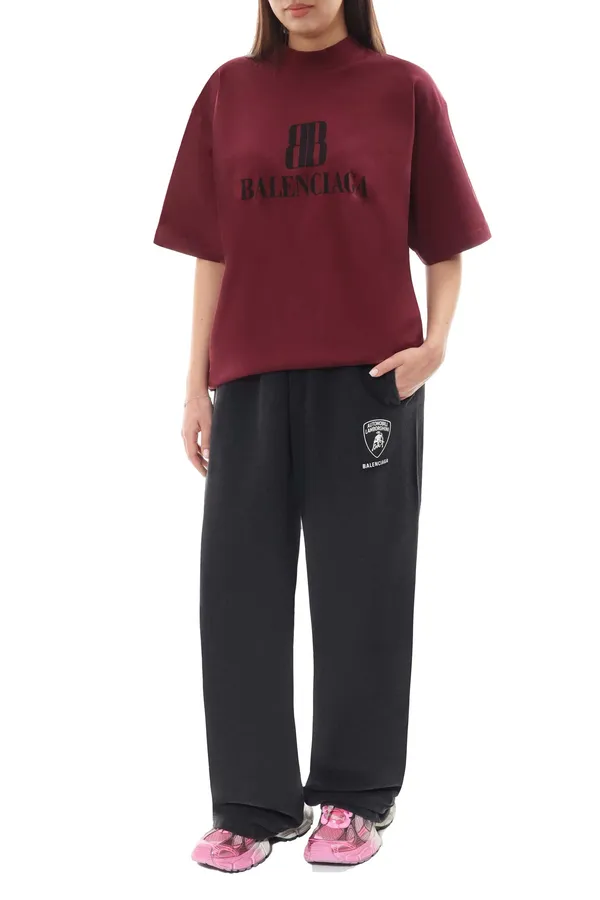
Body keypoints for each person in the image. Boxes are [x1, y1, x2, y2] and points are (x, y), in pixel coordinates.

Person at [153, 0, 491, 873]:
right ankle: (252, 804)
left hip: (368, 378)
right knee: (238, 592)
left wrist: (436, 345)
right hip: (249, 377)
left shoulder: (403, 90)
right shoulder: (228, 92)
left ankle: (354, 796)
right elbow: (212, 250)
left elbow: (445, 239)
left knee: (363, 589)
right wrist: (194, 384)